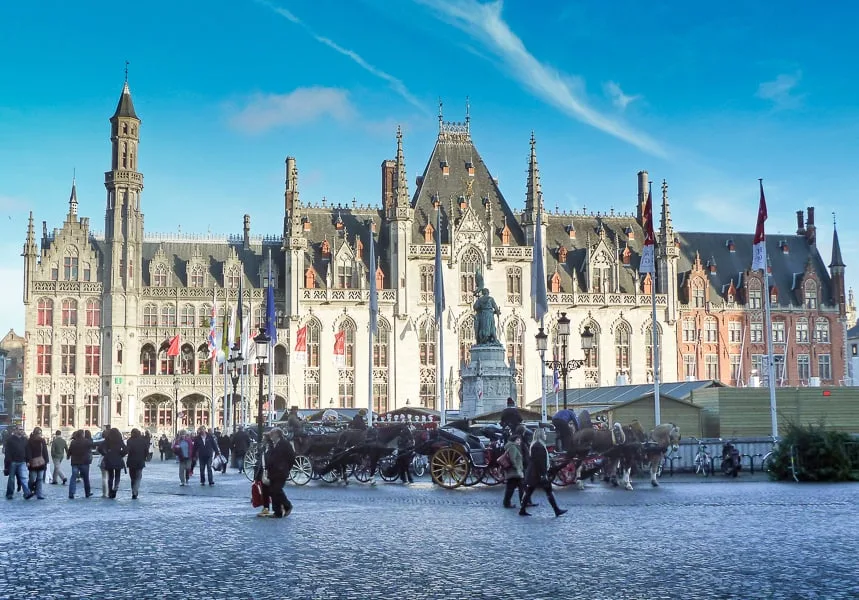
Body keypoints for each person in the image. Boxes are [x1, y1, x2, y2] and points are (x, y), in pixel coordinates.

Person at [519, 428, 566, 518]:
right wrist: (543, 474)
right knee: (548, 491)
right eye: (544, 433)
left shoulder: (536, 445)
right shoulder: (539, 446)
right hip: (537, 473)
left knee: (529, 491)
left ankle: (522, 510)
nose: (546, 435)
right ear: (541, 435)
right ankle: (556, 510)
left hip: (534, 473)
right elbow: (540, 462)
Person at [263, 428, 295, 518]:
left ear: (277, 434)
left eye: (272, 434)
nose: (271, 436)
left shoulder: (285, 444)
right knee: (272, 491)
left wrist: (287, 467)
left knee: (276, 490)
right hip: (273, 471)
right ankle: (277, 512)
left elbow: (292, 456)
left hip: (281, 471)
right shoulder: (273, 445)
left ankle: (287, 505)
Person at [98, 428, 127, 499]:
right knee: (117, 476)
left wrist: (105, 454)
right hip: (118, 459)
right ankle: (115, 488)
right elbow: (126, 449)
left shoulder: (107, 440)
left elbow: (100, 448)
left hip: (109, 459)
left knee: (110, 477)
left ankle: (110, 491)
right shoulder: (120, 440)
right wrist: (121, 454)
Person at [4, 426, 31, 500]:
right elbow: (7, 452)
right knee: (11, 479)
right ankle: (9, 493)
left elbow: (27, 450)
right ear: (15, 430)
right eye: (20, 429)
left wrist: (28, 460)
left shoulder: (25, 439)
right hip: (13, 462)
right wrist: (7, 463)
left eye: (22, 429)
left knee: (24, 477)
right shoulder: (10, 440)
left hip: (22, 461)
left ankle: (27, 493)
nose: (21, 431)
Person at [67, 430, 94, 499]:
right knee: (86, 478)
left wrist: (68, 456)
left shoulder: (73, 442)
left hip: (75, 463)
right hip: (84, 462)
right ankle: (87, 493)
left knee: (73, 477)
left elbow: (69, 451)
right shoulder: (86, 441)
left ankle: (71, 493)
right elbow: (93, 445)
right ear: (82, 434)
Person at [25, 428, 50, 500]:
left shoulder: (42, 441)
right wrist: (28, 461)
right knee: (32, 478)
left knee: (40, 478)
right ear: (35, 434)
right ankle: (29, 490)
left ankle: (39, 493)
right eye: (38, 433)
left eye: (40, 433)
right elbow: (28, 452)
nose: (39, 435)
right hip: (32, 463)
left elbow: (45, 451)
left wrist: (47, 460)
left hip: (41, 462)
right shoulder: (30, 441)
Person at [502, 432, 525, 509]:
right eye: (518, 440)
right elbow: (513, 459)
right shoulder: (513, 447)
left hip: (512, 472)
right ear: (514, 440)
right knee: (513, 488)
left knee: (514, 488)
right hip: (514, 472)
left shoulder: (511, 446)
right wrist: (518, 469)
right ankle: (522, 502)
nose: (519, 442)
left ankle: (508, 502)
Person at [126, 429, 149, 500]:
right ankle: (135, 491)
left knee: (132, 478)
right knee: (138, 477)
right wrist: (145, 457)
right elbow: (146, 451)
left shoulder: (129, 441)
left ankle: (133, 490)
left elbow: (128, 450)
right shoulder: (143, 441)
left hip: (131, 461)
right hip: (140, 461)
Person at [253, 432, 272, 517]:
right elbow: (260, 462)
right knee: (265, 491)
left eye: (264, 438)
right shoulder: (263, 448)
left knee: (273, 491)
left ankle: (281, 505)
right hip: (263, 471)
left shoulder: (272, 448)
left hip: (270, 471)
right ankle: (266, 508)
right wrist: (257, 477)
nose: (262, 440)